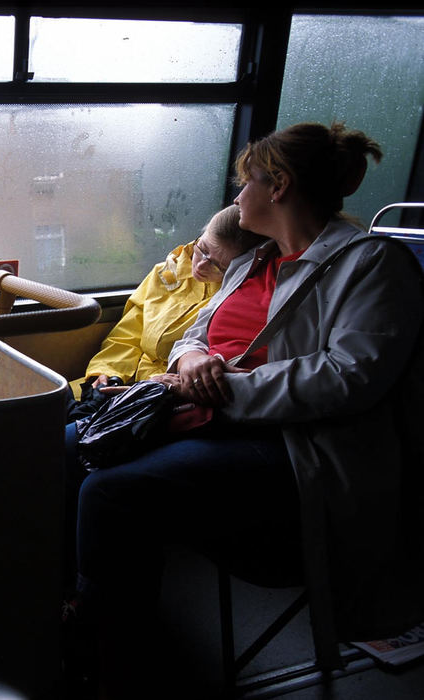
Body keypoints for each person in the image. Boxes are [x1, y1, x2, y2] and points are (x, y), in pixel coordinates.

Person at [64, 122, 424, 699]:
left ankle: (110, 654)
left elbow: (348, 377)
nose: (236, 199)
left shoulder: (370, 264)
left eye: (244, 184)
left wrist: (222, 388)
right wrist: (192, 360)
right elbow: (195, 334)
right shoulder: (253, 263)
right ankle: (85, 607)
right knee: (64, 446)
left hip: (299, 448)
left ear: (277, 186)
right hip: (219, 419)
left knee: (112, 492)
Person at [65, 205, 262, 422]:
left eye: (217, 265)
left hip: (160, 395)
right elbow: (126, 336)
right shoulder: (166, 273)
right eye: (202, 248)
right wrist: (105, 372)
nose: (202, 265)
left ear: (239, 269)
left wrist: (142, 388)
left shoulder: (234, 300)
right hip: (117, 382)